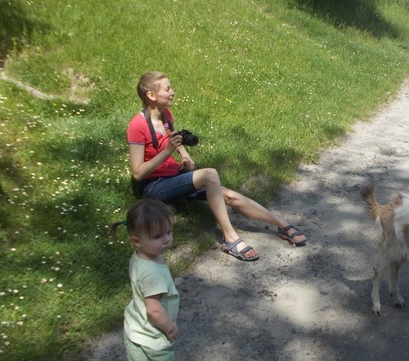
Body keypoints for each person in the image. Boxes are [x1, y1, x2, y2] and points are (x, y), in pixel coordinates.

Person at [127, 72, 307, 261]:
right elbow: (138, 173)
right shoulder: (137, 126)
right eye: (168, 89)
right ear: (151, 96)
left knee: (229, 195)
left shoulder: (165, 114)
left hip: (175, 177)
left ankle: (283, 225)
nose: (173, 92)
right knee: (210, 174)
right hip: (155, 186)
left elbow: (173, 137)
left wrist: (184, 154)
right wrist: (166, 152)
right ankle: (230, 238)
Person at [109, 199, 186, 361]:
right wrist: (169, 328)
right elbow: (153, 309)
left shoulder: (144, 256)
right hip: (150, 337)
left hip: (138, 326)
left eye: (169, 232)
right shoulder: (151, 273)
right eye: (157, 237)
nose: (166, 239)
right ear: (136, 240)